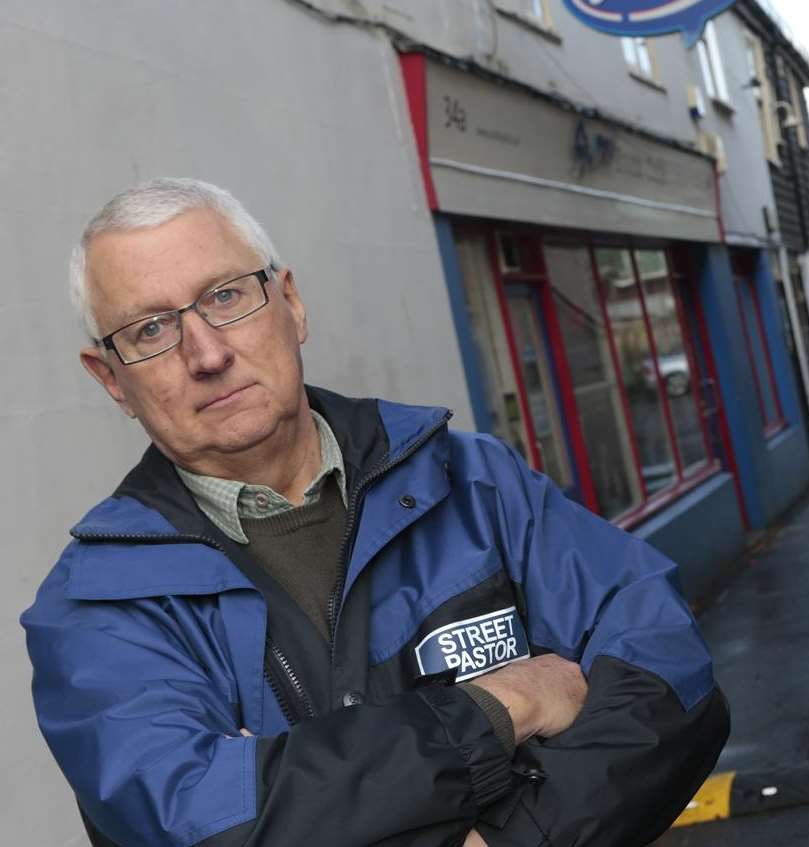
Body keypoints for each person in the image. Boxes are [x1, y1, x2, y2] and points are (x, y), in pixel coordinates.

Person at [22, 178, 729, 846]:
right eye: (150, 331)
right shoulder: (93, 606)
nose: (206, 353)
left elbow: (673, 677)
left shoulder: (475, 483)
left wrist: (515, 837)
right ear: (111, 379)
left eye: (227, 295)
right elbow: (207, 823)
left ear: (290, 303)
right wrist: (503, 706)